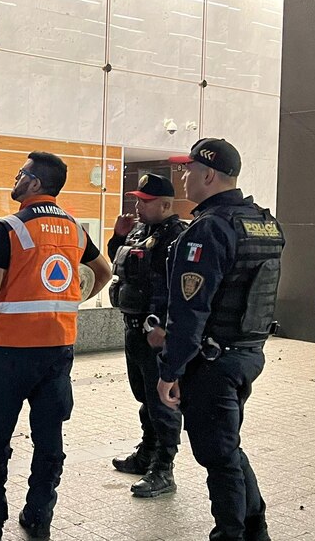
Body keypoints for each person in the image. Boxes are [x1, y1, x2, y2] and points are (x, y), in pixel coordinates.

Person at [0, 151, 113, 540]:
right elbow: (105, 271)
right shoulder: (75, 228)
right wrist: (72, 300)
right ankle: (39, 516)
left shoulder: (12, 227)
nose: (16, 179)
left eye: (21, 174)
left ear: (36, 183)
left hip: (11, 352)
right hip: (57, 351)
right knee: (49, 438)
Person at [149, 138, 284, 541]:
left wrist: (169, 371)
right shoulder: (264, 223)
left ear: (208, 174)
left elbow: (192, 311)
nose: (184, 177)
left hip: (212, 362)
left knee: (217, 455)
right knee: (227, 446)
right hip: (247, 354)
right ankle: (255, 528)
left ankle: (232, 533)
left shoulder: (208, 229)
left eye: (189, 170)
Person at [107, 173, 187, 498]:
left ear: (166, 204)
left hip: (158, 333)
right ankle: (147, 453)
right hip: (134, 327)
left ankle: (164, 469)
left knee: (162, 401)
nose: (137, 206)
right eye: (137, 199)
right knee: (145, 397)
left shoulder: (178, 236)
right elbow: (121, 265)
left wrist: (165, 328)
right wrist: (117, 237)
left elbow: (181, 290)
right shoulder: (141, 231)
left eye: (145, 201)